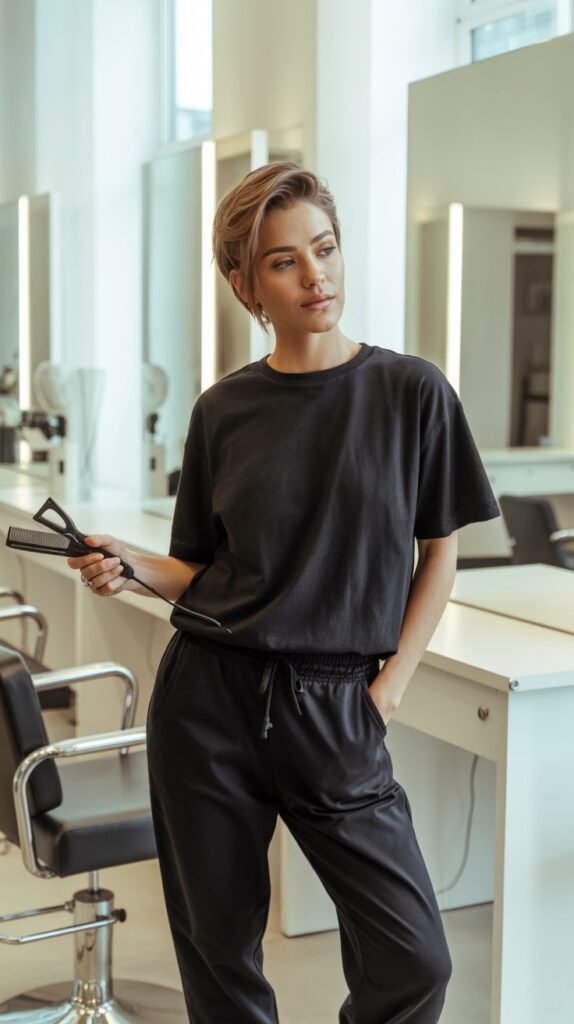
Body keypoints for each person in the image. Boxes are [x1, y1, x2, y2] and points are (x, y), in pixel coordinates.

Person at [68, 161, 500, 1023]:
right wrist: (131, 564)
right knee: (220, 958)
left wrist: (389, 689)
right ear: (245, 286)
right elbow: (205, 571)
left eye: (325, 249)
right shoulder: (222, 410)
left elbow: (439, 553)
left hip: (338, 707)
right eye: (283, 261)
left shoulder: (411, 391)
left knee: (414, 961)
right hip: (209, 701)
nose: (315, 275)